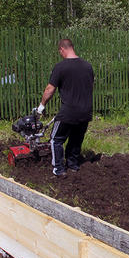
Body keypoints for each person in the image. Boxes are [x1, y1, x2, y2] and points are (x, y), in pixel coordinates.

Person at [35, 39, 94, 177]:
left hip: (68, 112)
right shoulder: (87, 66)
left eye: (59, 52)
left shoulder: (61, 67)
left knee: (56, 139)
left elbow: (50, 89)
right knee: (76, 139)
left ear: (62, 49)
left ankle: (59, 169)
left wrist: (41, 106)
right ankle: (73, 165)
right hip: (85, 111)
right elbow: (90, 86)